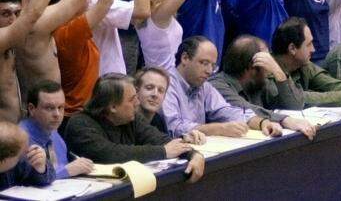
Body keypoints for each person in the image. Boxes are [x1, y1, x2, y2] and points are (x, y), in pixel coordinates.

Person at [63, 74, 206, 182]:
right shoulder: (80, 124)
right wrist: (162, 152)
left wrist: (194, 155)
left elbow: (161, 140)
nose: (138, 103)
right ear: (112, 106)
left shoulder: (131, 118)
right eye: (132, 99)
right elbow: (110, 154)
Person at [162, 36, 282, 139]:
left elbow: (226, 111)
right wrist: (218, 128)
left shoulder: (204, 86)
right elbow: (174, 128)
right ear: (185, 58)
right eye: (204, 63)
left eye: (213, 65)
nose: (209, 71)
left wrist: (261, 122)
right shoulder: (164, 84)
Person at [208, 36, 316, 140]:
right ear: (253, 66)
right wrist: (285, 120)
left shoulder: (259, 82)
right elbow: (246, 110)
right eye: (268, 61)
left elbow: (294, 106)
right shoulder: (216, 86)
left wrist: (279, 73)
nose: (269, 69)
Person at [19, 81, 93, 179]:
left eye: (61, 107)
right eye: (49, 108)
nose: (57, 114)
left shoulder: (55, 135)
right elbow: (24, 182)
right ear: (32, 109)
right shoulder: (18, 140)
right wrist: (66, 171)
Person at [0, 121, 53, 191]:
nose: (26, 154)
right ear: (6, 159)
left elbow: (47, 180)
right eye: (21, 154)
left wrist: (41, 169)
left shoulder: (19, 165)